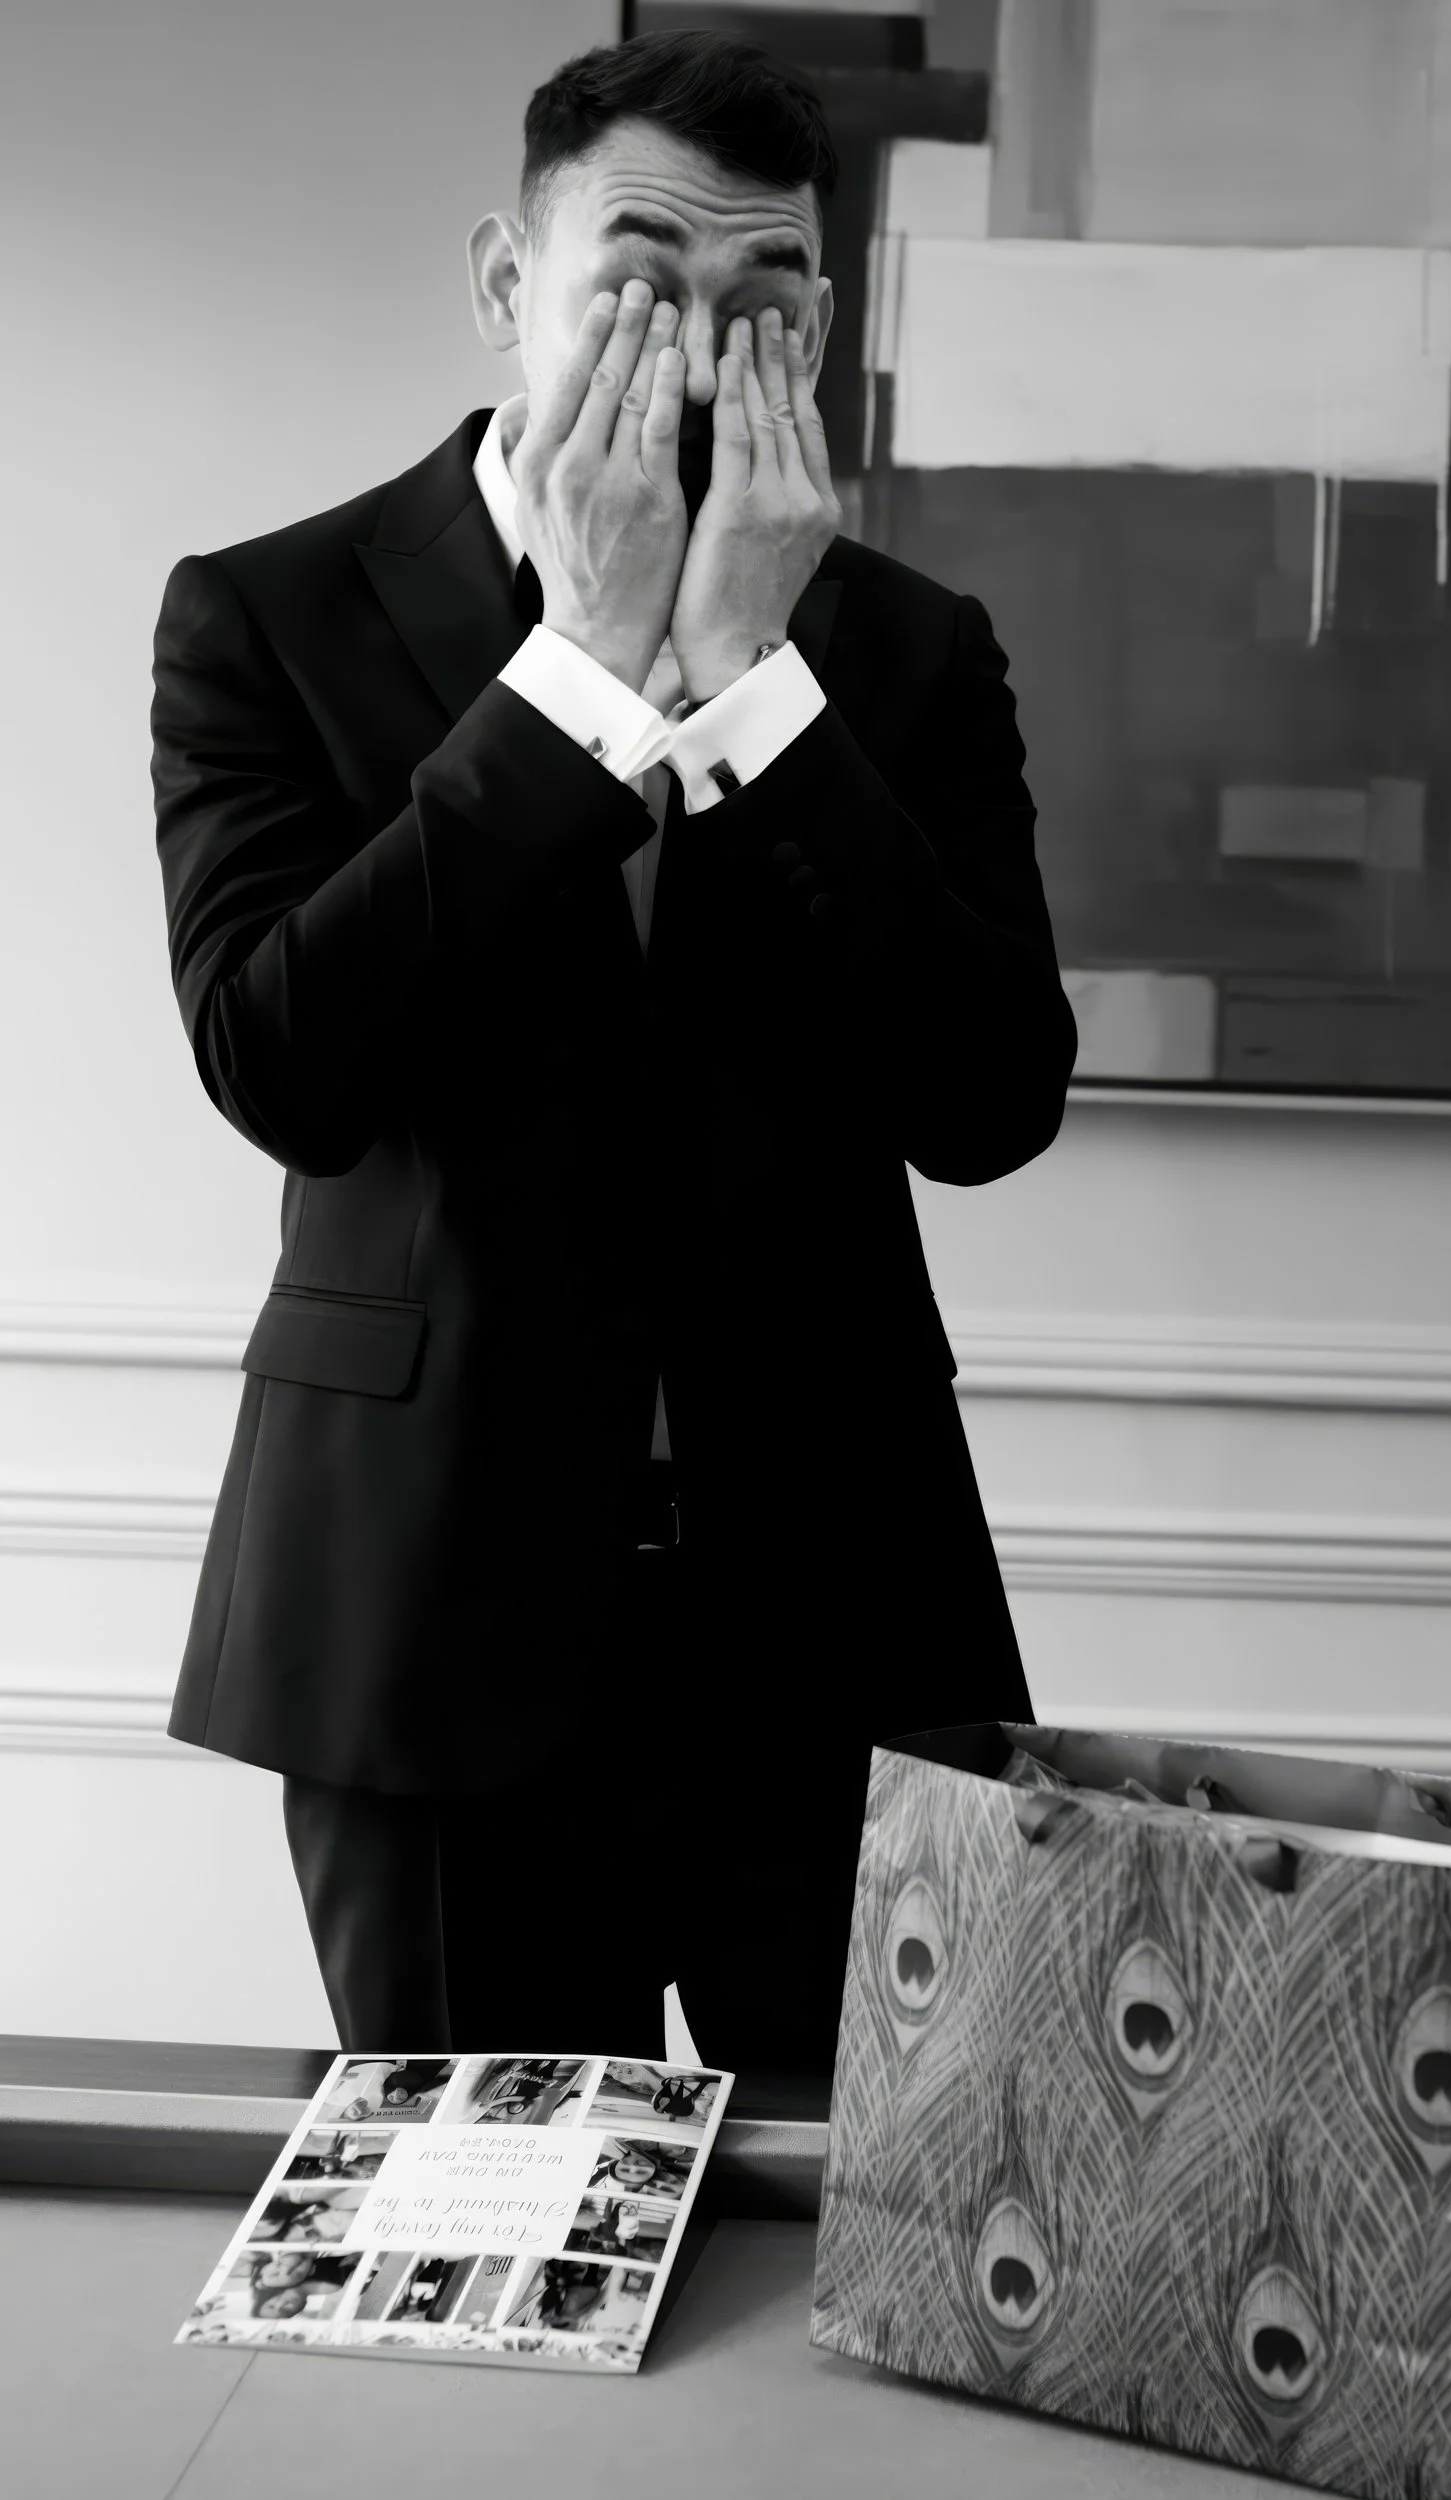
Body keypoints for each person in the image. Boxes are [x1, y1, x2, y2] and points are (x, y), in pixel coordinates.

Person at [151, 27, 1072, 2079]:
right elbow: (279, 1054)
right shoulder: (266, 615)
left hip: (832, 1617)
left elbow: (991, 1094)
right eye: (637, 284)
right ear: (509, 287)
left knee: (871, 2276)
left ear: (817, 327)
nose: (693, 351)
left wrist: (755, 687)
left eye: (759, 305)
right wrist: (572, 671)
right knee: (474, 2313)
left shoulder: (910, 655)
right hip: (428, 1617)